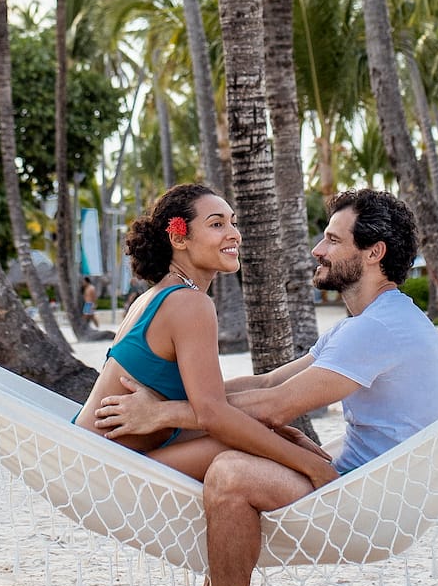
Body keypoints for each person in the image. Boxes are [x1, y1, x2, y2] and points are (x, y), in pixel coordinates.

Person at [93, 188, 438, 586]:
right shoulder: (367, 324)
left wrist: (164, 413)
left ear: (373, 253)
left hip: (376, 498)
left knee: (232, 473)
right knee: (248, 447)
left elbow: (273, 407)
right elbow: (264, 383)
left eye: (331, 240)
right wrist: (193, 403)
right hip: (363, 481)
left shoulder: (377, 329)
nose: (317, 250)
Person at [73, 184, 334, 492]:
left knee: (266, 438)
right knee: (263, 453)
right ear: (179, 237)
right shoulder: (189, 303)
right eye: (216, 224)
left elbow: (211, 397)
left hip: (95, 456)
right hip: (106, 471)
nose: (233, 233)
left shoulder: (157, 296)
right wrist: (312, 466)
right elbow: (212, 413)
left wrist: (280, 426)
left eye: (233, 222)